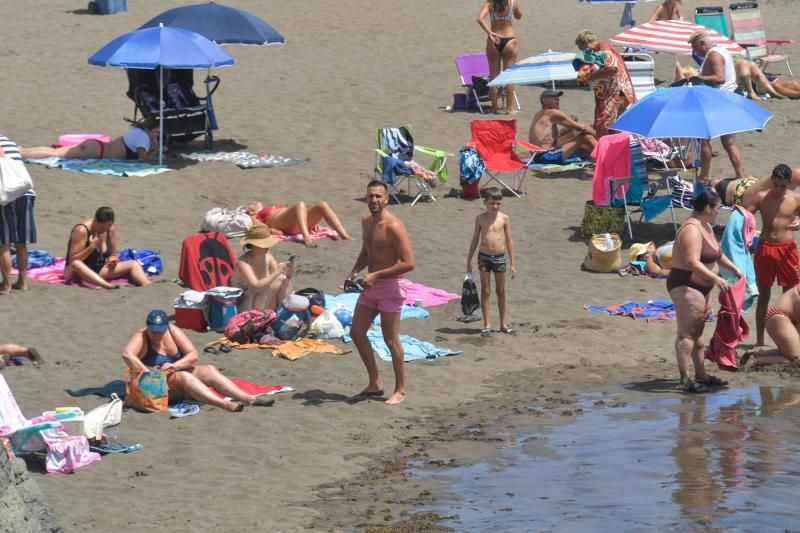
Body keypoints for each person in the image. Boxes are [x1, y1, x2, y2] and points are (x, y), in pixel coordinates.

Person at [122, 310, 275, 412]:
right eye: (153, 331)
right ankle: (224, 404)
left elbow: (193, 355)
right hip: (153, 387)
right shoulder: (141, 336)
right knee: (185, 376)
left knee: (209, 370)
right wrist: (148, 374)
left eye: (159, 331)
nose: (156, 334)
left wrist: (174, 365)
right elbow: (127, 354)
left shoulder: (173, 331)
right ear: (147, 327)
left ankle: (248, 399)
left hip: (172, 375)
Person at [667, 190, 743, 393]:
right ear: (708, 208)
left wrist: (734, 268)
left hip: (703, 286)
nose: (720, 211)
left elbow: (716, 253)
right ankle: (685, 379)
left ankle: (701, 375)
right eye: (718, 208)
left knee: (698, 333)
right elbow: (692, 262)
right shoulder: (691, 229)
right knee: (687, 333)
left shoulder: (706, 225)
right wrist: (716, 278)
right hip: (686, 284)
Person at [347, 181, 415, 405]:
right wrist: (355, 271)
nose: (374, 201)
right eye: (370, 197)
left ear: (386, 199)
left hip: (390, 286)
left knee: (390, 338)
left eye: (378, 197)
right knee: (356, 332)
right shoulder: (366, 221)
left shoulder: (393, 225)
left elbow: (408, 263)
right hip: (370, 286)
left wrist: (377, 275)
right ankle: (375, 382)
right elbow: (367, 250)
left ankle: (401, 389)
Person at [746, 164, 800, 346]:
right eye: (775, 184)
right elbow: (745, 215)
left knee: (791, 296)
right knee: (763, 296)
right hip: (765, 248)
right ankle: (760, 341)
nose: (778, 189)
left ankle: (792, 340)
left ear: (789, 183)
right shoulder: (762, 197)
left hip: (787, 250)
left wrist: (799, 222)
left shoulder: (795, 199)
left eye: (782, 186)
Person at [686, 30, 745, 184]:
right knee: (730, 144)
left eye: (695, 47)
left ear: (702, 44)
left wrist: (697, 78)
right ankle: (740, 176)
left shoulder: (713, 54)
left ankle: (704, 176)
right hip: (730, 99)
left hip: (719, 102)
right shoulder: (722, 50)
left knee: (703, 140)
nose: (694, 51)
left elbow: (720, 78)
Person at [466, 187, 516, 336]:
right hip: (484, 257)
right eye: (492, 203)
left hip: (500, 257)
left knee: (500, 291)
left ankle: (503, 324)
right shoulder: (480, 218)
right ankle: (487, 324)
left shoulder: (504, 218)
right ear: (485, 203)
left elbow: (509, 240)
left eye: (498, 203)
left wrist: (513, 264)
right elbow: (475, 238)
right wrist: (469, 259)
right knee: (485, 290)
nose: (495, 206)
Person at [64, 206, 151, 289]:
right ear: (95, 220)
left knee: (133, 264)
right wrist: (91, 247)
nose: (104, 230)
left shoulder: (110, 229)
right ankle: (107, 286)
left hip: (98, 268)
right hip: (77, 271)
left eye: (108, 227)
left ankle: (147, 285)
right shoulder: (81, 231)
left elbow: (113, 254)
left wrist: (113, 260)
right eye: (102, 227)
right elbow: (72, 260)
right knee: (76, 264)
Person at [574, 30, 637, 138]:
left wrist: (589, 77)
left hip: (617, 91)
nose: (582, 52)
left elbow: (612, 68)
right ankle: (615, 150)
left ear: (586, 43)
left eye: (581, 48)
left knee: (604, 125)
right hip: (621, 91)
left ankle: (605, 152)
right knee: (613, 126)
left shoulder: (603, 47)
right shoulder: (602, 49)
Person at [21, 119, 160, 162]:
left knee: (54, 151)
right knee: (54, 154)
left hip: (96, 145)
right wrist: (156, 151)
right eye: (156, 132)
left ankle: (24, 151)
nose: (156, 136)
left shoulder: (137, 131)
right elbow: (144, 159)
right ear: (148, 130)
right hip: (97, 151)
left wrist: (152, 143)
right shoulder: (143, 138)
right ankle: (24, 155)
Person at [0, 134, 36, 294]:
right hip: (26, 191)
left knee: (4, 242)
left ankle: (6, 285)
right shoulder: (9, 141)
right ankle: (22, 282)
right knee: (21, 242)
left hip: (9, 193)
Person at [231, 223, 293, 311]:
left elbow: (279, 276)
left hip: (261, 297)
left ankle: (282, 313)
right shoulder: (243, 263)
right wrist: (278, 271)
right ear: (254, 245)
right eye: (265, 243)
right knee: (265, 289)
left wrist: (288, 271)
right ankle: (266, 317)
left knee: (283, 280)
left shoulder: (267, 257)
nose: (268, 246)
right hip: (244, 302)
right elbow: (256, 287)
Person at [477, 0, 522, 115]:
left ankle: (494, 108)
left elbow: (480, 19)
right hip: (509, 40)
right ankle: (509, 108)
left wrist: (489, 32)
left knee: (493, 77)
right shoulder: (513, 2)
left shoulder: (490, 3)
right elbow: (519, 16)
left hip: (494, 40)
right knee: (509, 76)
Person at [528, 89, 597, 164]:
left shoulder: (539, 114)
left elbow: (553, 139)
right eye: (554, 97)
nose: (558, 99)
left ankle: (599, 158)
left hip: (536, 156)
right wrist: (599, 135)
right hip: (546, 157)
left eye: (558, 97)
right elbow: (583, 128)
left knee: (581, 143)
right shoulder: (552, 113)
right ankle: (607, 158)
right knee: (586, 137)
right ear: (545, 100)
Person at [739, 285, 800, 369]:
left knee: (789, 352)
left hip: (782, 317)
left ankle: (753, 354)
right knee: (796, 359)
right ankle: (756, 360)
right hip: (780, 317)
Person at [247, 200, 353, 248]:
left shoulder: (272, 207)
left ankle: (345, 235)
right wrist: (271, 230)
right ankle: (306, 238)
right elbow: (258, 228)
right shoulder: (255, 216)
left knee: (322, 205)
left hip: (297, 222)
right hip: (282, 224)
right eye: (251, 206)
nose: (253, 203)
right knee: (300, 204)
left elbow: (299, 212)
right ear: (251, 211)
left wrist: (313, 221)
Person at [735, 58, 800, 100]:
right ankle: (797, 95)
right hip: (755, 83)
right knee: (775, 86)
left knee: (793, 83)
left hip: (763, 77)